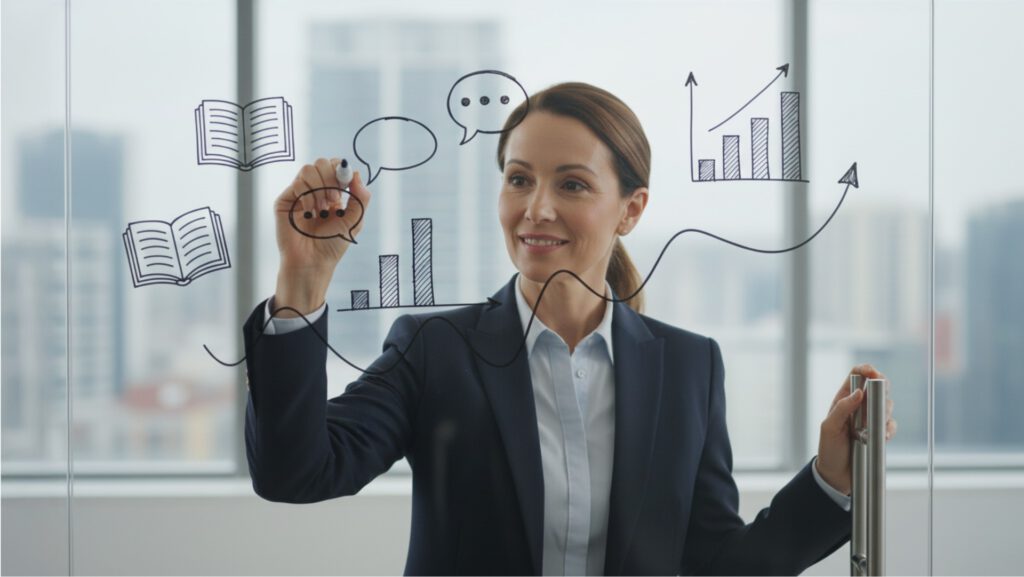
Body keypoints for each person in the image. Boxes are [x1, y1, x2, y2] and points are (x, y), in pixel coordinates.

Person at [244, 82, 896, 575]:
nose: (537, 208)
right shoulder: (434, 350)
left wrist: (833, 476)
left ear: (631, 210)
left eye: (573, 184)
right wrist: (302, 282)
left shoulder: (690, 367)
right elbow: (295, 472)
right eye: (519, 179)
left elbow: (717, 563)